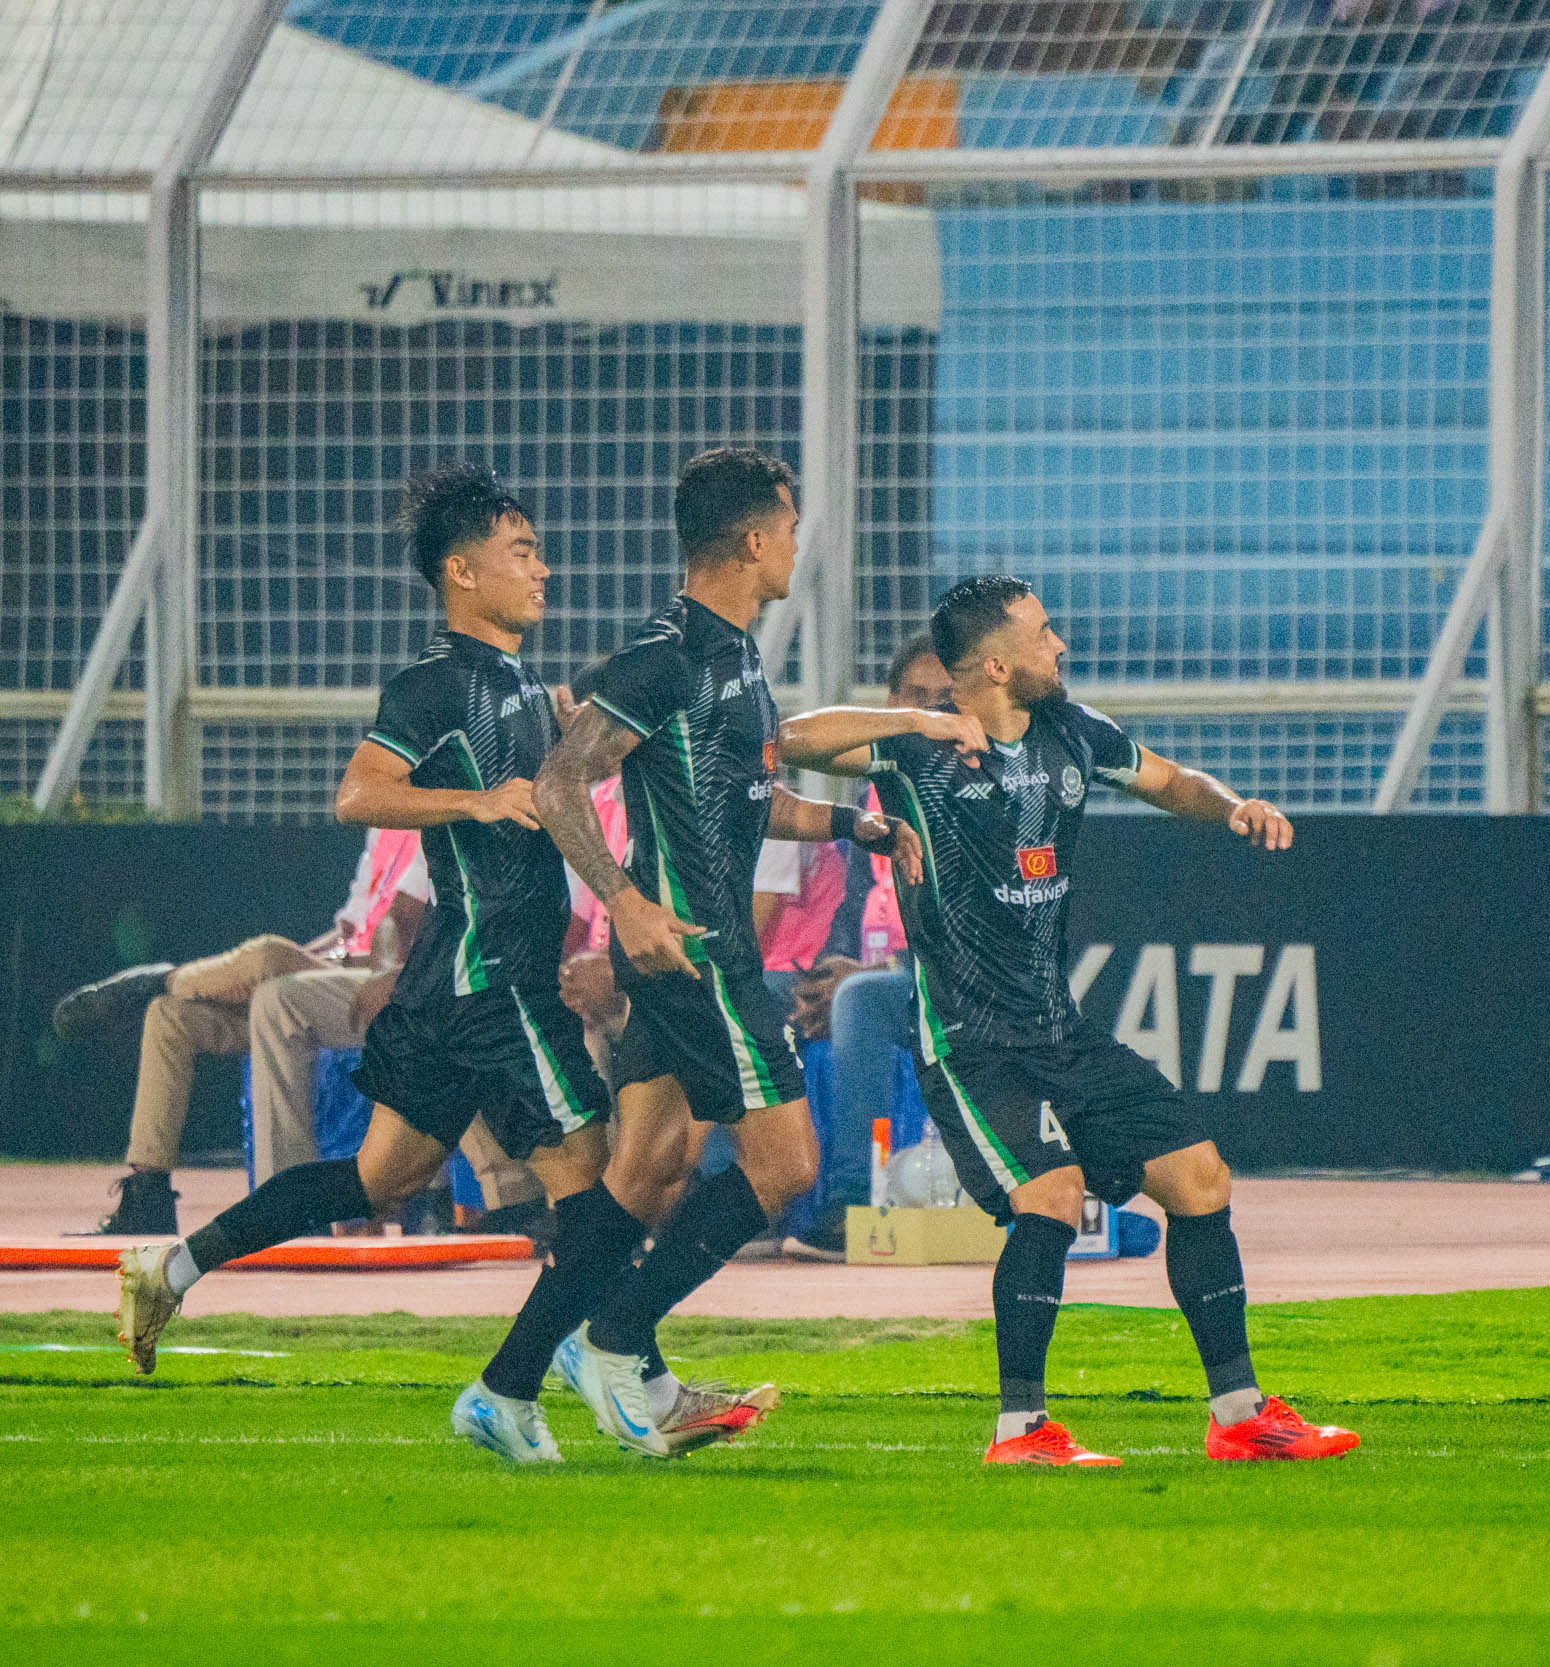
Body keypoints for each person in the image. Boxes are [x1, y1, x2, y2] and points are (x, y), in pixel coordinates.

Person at [109, 464, 722, 1465]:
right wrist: (474, 801)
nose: (544, 568)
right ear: (461, 571)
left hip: (452, 986)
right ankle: (589, 1384)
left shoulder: (523, 687)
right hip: (498, 982)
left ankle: (168, 1269)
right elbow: (358, 793)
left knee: (375, 1176)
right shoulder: (435, 683)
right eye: (522, 551)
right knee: (602, 1185)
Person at [778, 574, 1361, 1467]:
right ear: (997, 663)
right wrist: (920, 718)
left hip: (1061, 1030)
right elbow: (790, 738)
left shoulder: (1074, 732)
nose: (1062, 646)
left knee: (1201, 1178)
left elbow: (1171, 781)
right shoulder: (917, 752)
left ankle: (1240, 1414)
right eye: (1044, 633)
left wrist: (1232, 805)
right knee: (1051, 1195)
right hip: (970, 1041)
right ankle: (1021, 1430)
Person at [531, 445, 918, 1459]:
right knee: (786, 1165)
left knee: (647, 1170)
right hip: (700, 957)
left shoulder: (736, 657)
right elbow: (559, 783)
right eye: (787, 528)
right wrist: (624, 902)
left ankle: (523, 1374)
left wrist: (855, 825)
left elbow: (746, 803)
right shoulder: (667, 655)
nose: (795, 545)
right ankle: (615, 1340)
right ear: (751, 541)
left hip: (693, 954)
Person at [58, 829, 439, 1235]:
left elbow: (402, 936)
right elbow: (348, 935)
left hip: (378, 984)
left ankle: (158, 980)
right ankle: (147, 1194)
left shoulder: (436, 826)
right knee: (169, 1016)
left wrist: (290, 967)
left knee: (266, 954)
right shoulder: (382, 831)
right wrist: (287, 968)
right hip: (332, 976)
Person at [778, 630, 955, 1254]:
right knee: (764, 991)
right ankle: (744, 1199)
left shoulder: (973, 785)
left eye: (944, 699)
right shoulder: (878, 785)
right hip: (877, 970)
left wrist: (865, 974)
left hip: (942, 977)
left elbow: (962, 925)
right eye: (915, 697)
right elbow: (856, 898)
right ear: (891, 701)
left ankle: (851, 1206)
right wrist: (830, 969)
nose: (928, 713)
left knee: (861, 1000)